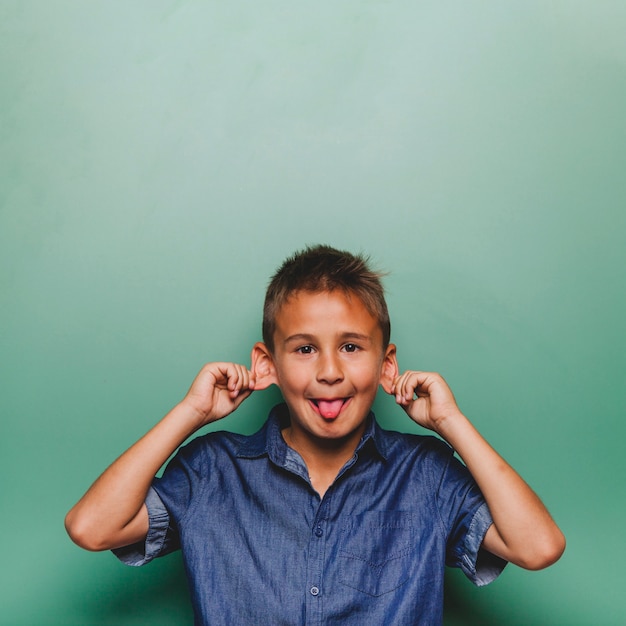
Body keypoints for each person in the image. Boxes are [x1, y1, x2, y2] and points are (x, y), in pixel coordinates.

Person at [65, 244, 565, 625]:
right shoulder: (211, 471)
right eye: (304, 349)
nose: (329, 371)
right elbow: (93, 527)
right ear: (268, 364)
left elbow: (538, 546)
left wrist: (452, 423)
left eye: (351, 346)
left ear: (385, 364)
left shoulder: (426, 473)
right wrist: (191, 411)